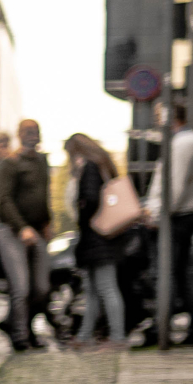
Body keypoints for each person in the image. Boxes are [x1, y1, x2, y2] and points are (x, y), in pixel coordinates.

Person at [140, 102, 193, 348]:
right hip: (180, 216)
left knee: (166, 274)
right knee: (180, 275)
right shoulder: (184, 141)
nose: (156, 119)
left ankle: (161, 331)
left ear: (171, 116)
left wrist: (158, 217)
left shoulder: (183, 143)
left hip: (176, 218)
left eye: (159, 115)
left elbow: (175, 185)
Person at [0, 120, 54, 350]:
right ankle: (20, 337)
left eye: (36, 131)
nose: (33, 136)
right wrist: (21, 227)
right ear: (19, 135)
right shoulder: (10, 163)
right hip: (12, 231)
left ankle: (18, 324)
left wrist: (48, 221)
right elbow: (4, 200)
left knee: (41, 288)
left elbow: (44, 194)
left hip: (38, 230)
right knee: (20, 287)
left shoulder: (41, 161)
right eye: (28, 132)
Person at [66, 132, 127, 349]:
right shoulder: (102, 164)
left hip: (96, 236)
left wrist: (83, 216)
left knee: (106, 287)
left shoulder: (90, 167)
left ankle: (118, 337)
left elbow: (90, 200)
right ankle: (84, 337)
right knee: (93, 289)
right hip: (101, 236)